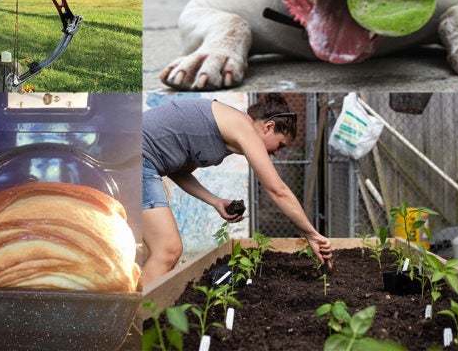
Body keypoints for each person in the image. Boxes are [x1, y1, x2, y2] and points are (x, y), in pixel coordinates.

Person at [141, 93, 332, 286]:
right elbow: (277, 190)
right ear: (269, 127)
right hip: (138, 156)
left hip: (143, 160)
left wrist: (216, 201)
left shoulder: (226, 138)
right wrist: (311, 234)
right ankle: (140, 316)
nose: (276, 152)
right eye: (280, 145)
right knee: (167, 249)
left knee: (160, 253)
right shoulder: (243, 126)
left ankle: (144, 308)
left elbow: (177, 171)